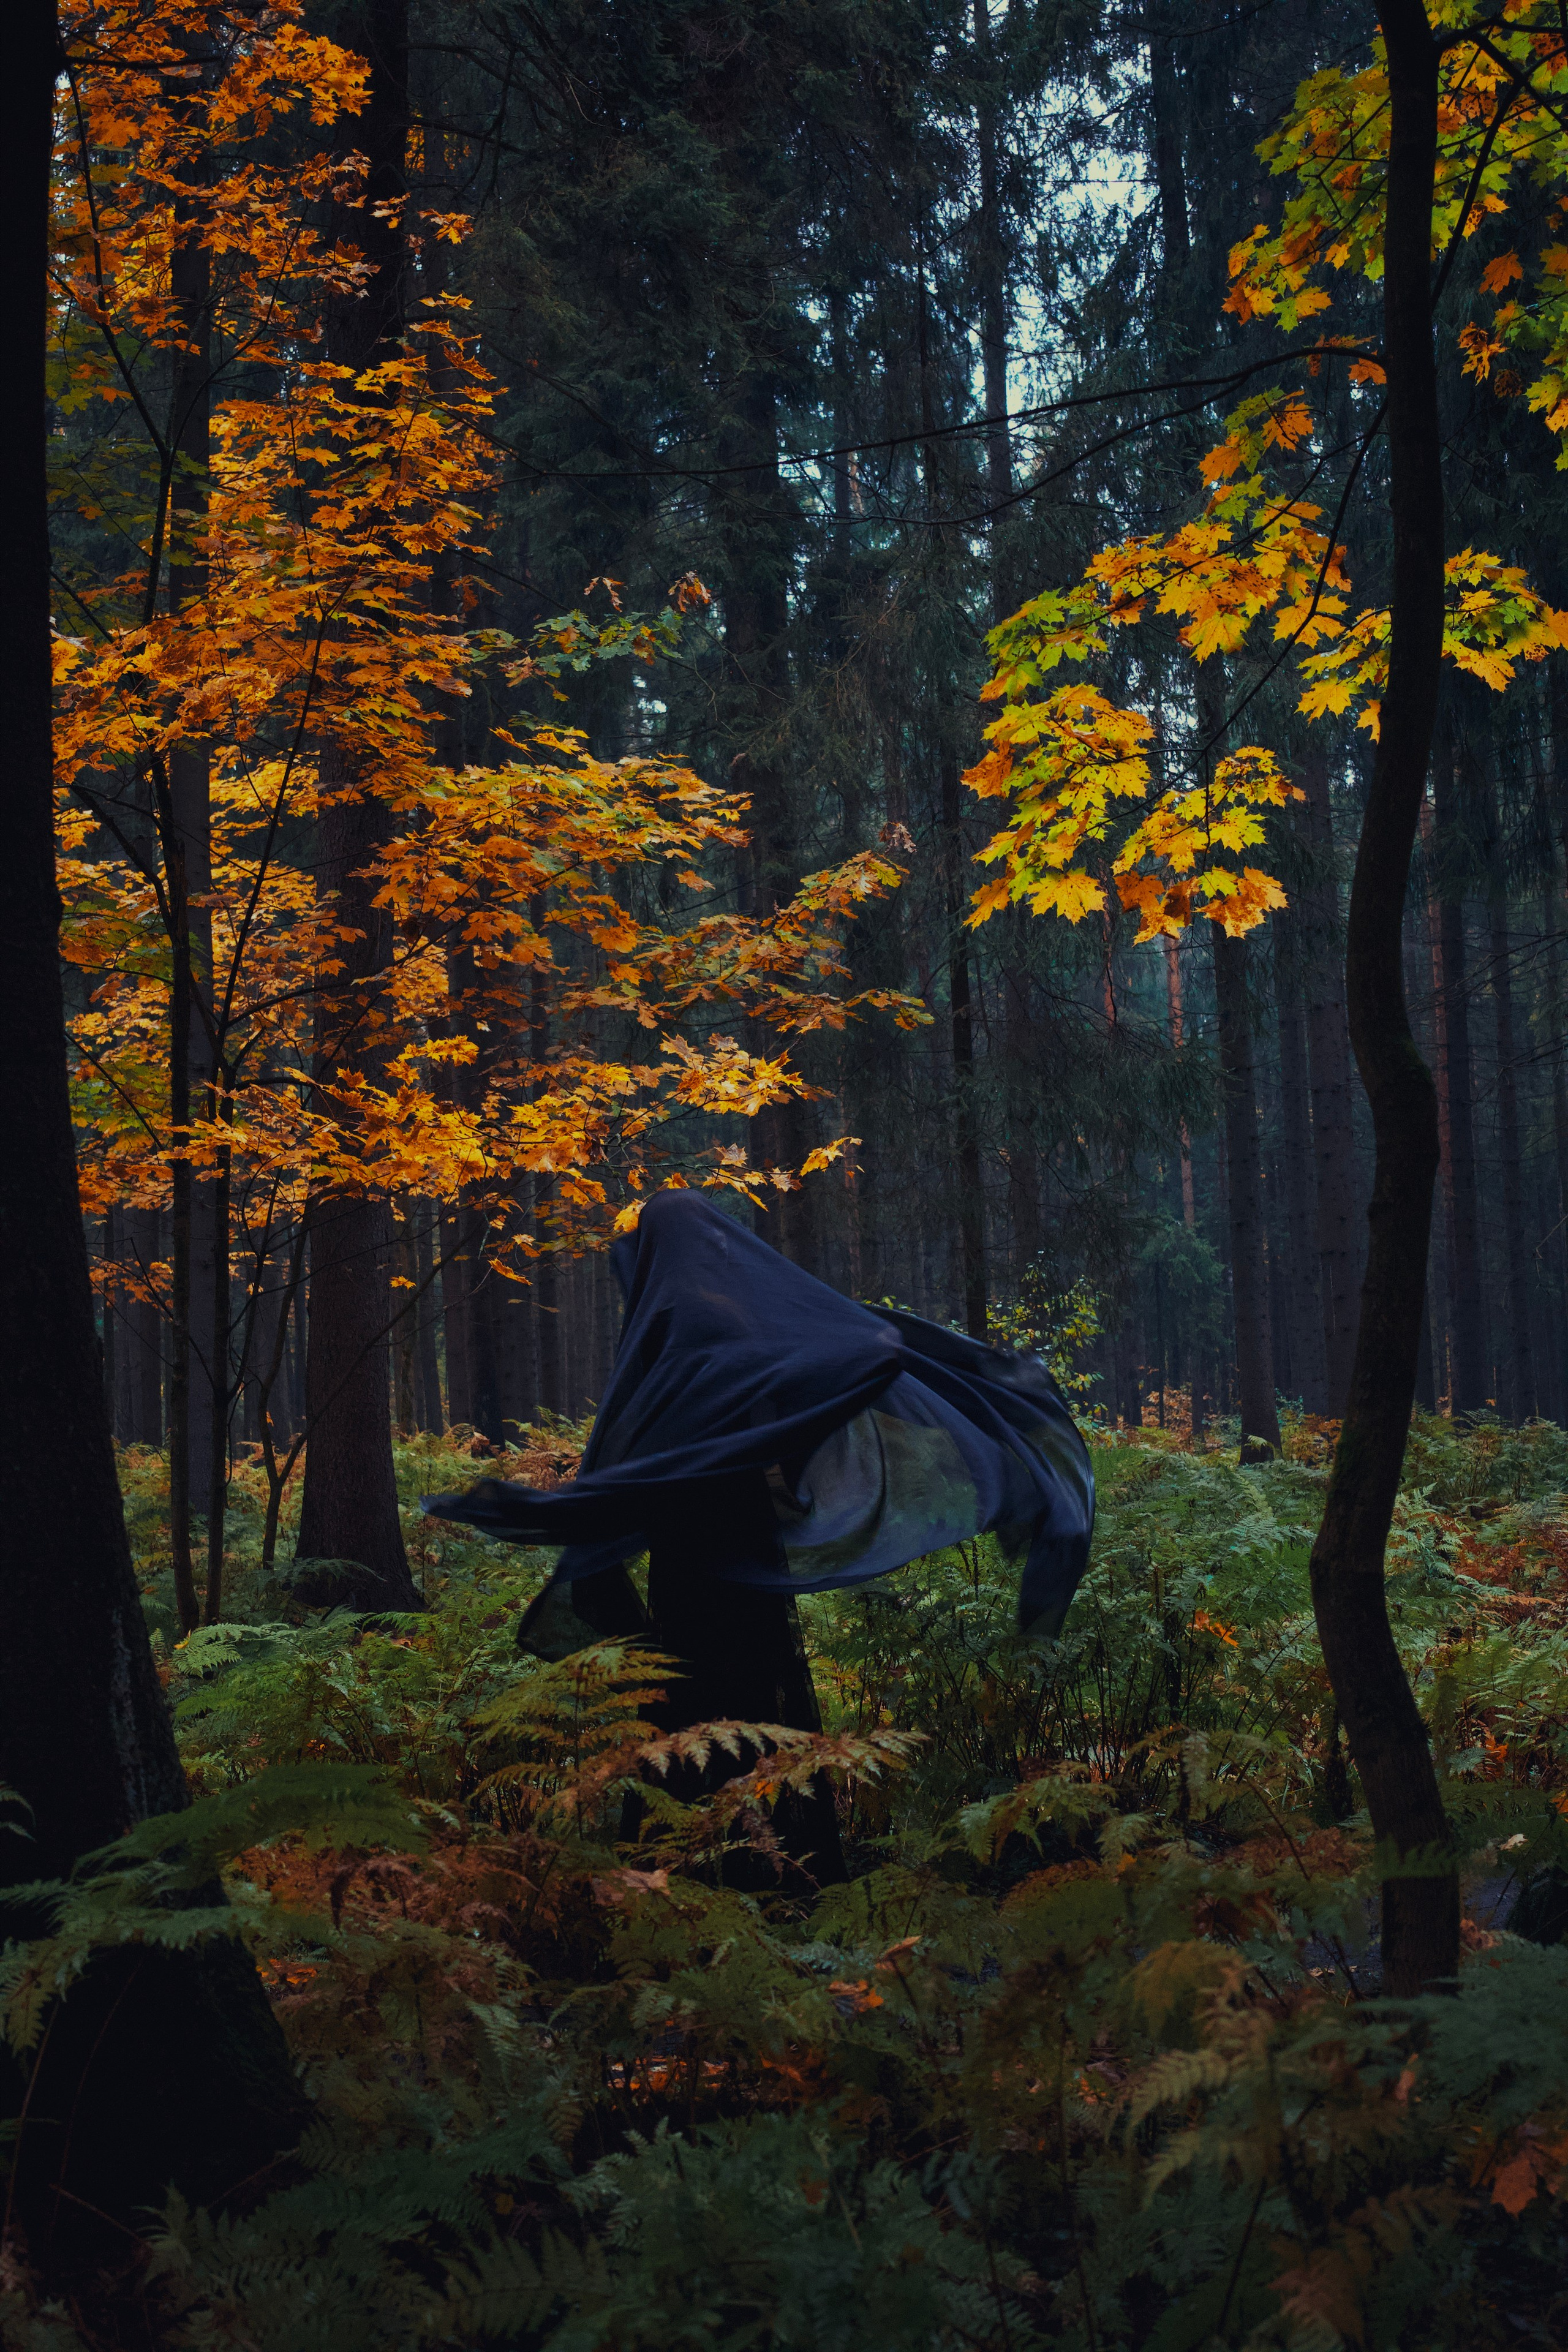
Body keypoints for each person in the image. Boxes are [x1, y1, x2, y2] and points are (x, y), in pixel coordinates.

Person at [424, 1188, 1095, 1885]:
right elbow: (767, 1405)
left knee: (691, 1696)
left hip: (691, 1543)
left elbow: (640, 1442)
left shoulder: (673, 1323)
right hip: (741, 1532)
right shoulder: (742, 1318)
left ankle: (693, 1862)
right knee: (755, 1688)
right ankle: (777, 1858)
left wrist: (580, 1503)